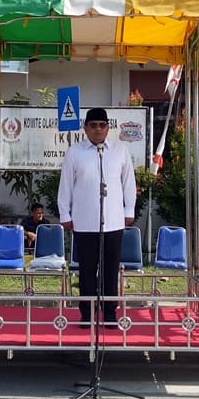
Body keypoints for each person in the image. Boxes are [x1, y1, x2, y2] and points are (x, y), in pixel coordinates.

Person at [58, 108, 136, 327]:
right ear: (85, 128)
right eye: (93, 125)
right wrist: (65, 213)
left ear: (108, 127)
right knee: (87, 272)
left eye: (102, 125)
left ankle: (110, 314)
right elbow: (65, 186)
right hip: (84, 222)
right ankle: (88, 314)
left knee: (111, 270)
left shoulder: (120, 150)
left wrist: (129, 210)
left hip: (113, 222)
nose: (98, 129)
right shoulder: (75, 152)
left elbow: (128, 183)